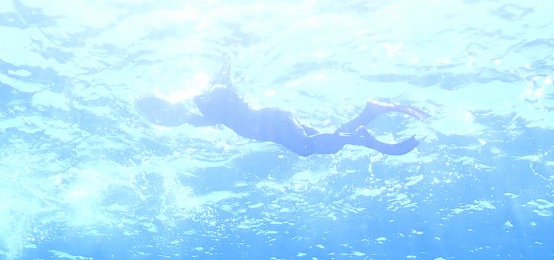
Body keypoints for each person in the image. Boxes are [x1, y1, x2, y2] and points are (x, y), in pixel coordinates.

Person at [138, 69, 430, 157]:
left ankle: (363, 139)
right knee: (318, 139)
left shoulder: (208, 98)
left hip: (271, 125)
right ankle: (369, 113)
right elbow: (200, 117)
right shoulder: (210, 102)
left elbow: (200, 113)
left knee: (305, 148)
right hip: (273, 121)